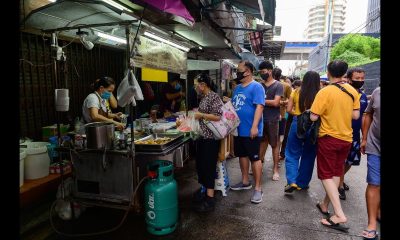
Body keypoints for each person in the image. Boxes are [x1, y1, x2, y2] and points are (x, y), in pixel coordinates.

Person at [310, 60, 360, 232]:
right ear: (345, 73)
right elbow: (355, 115)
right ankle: (325, 205)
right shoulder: (353, 91)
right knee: (336, 172)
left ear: (328, 72)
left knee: (325, 174)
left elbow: (313, 118)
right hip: (346, 138)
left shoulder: (325, 92)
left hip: (329, 137)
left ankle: (339, 214)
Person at [230, 60, 265, 204]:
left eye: (240, 70)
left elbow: (260, 107)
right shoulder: (237, 88)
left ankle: (258, 188)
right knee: (242, 155)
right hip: (239, 129)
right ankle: (245, 181)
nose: (237, 73)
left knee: (255, 158)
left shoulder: (256, 87)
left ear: (248, 71)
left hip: (251, 130)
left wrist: (254, 126)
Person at [191, 73, 223, 212]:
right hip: (202, 138)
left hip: (211, 139)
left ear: (203, 85)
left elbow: (217, 116)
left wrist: (201, 115)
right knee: (201, 166)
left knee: (209, 167)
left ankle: (210, 199)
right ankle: (204, 191)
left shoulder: (214, 96)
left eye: (196, 84)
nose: (195, 87)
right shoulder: (203, 97)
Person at [284, 71, 320, 193]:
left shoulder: (296, 91)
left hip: (297, 123)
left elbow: (288, 109)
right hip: (314, 126)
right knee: (309, 155)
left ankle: (292, 181)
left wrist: (300, 115)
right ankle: (303, 183)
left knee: (292, 153)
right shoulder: (320, 94)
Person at [338, 68, 368, 200]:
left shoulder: (363, 96)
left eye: (362, 78)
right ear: (349, 79)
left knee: (351, 161)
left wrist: (364, 137)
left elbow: (363, 117)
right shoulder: (341, 94)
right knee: (341, 160)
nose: (360, 81)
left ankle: (340, 178)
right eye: (357, 78)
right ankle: (339, 185)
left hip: (355, 135)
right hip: (340, 133)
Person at [360, 86, 380, 240]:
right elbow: (368, 114)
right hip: (375, 146)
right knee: (374, 183)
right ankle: (372, 224)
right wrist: (365, 138)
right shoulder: (377, 92)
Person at [259, 62, 283, 181]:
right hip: (260, 119)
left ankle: (275, 169)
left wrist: (261, 101)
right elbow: (271, 102)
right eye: (261, 72)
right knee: (262, 143)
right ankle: (259, 166)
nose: (262, 74)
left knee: (274, 144)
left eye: (264, 72)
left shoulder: (278, 85)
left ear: (270, 71)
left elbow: (276, 103)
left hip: (273, 119)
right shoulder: (259, 85)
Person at [277, 73, 292, 161]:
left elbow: (290, 100)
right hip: (283, 114)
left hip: (283, 114)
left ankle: (280, 155)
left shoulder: (286, 86)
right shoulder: (287, 86)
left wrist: (280, 102)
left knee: (281, 136)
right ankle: (280, 155)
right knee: (280, 137)